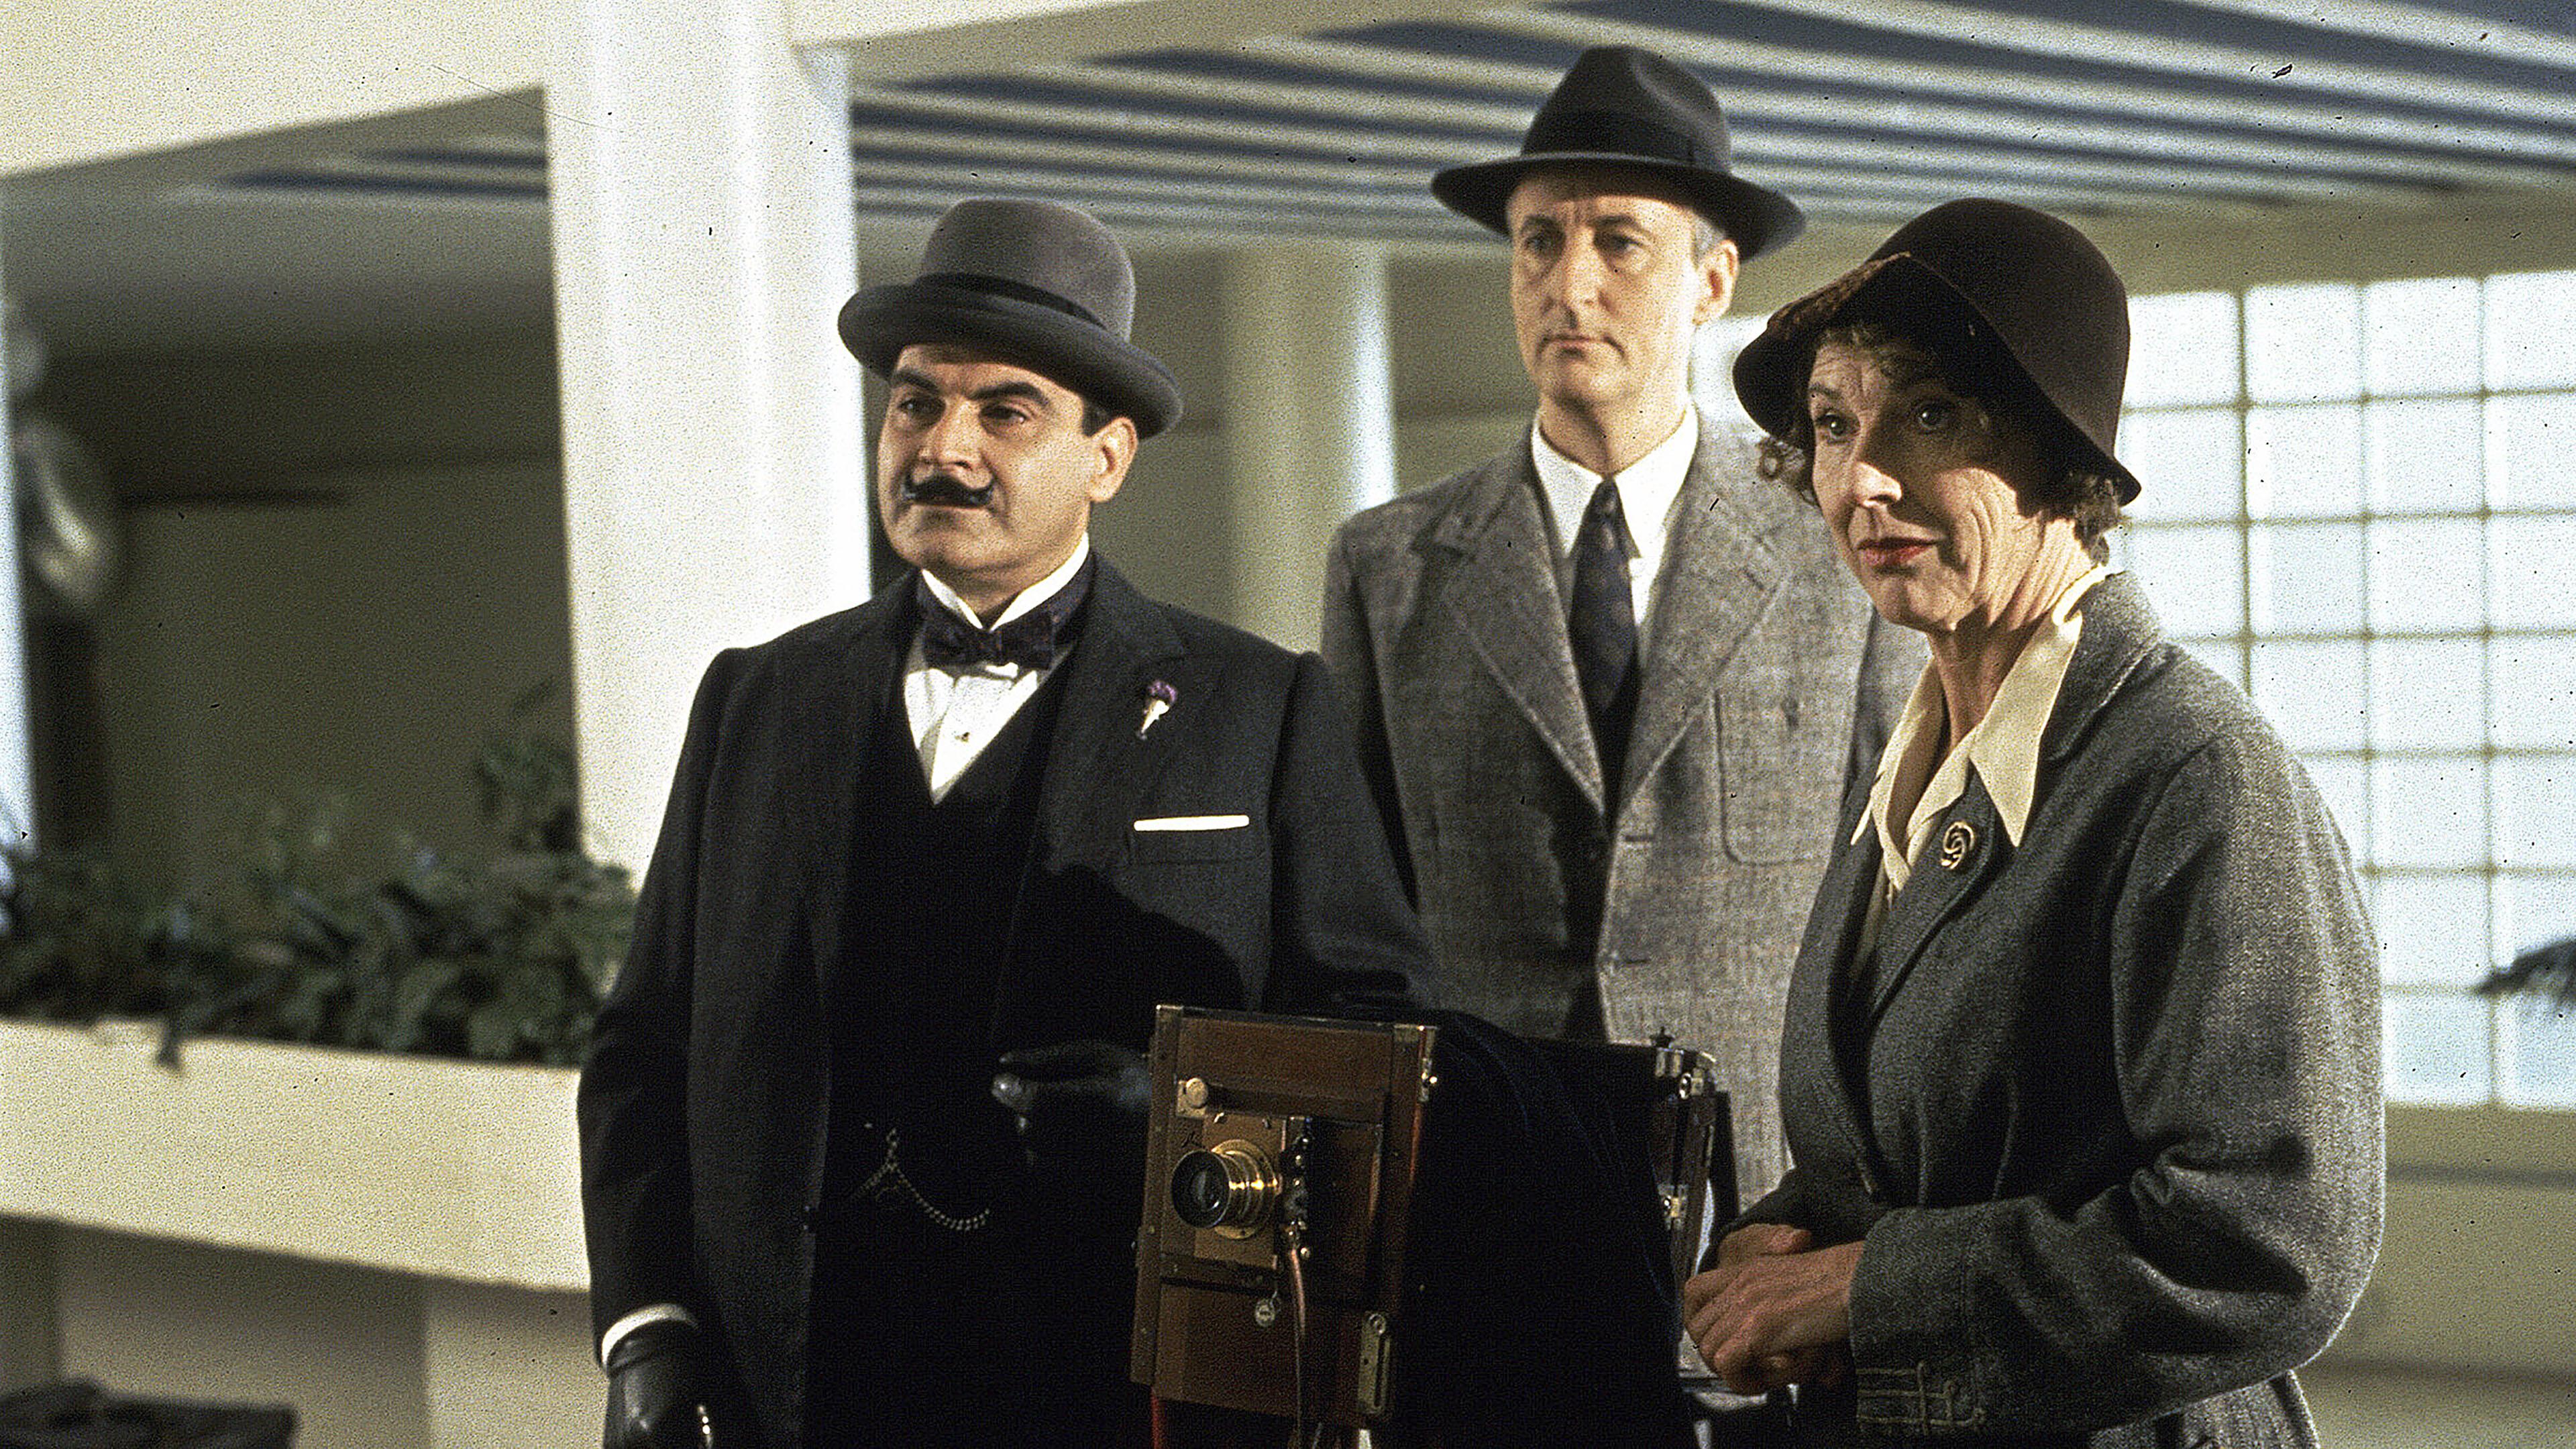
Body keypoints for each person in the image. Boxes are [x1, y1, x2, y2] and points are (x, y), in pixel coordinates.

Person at [577, 197, 1436, 1449]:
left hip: (1108, 1379)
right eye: (916, 402)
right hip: (798, 1384)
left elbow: (1381, 1042)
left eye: (1006, 412)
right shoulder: (757, 698)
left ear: (1108, 458)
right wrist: (649, 1331)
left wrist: (1184, 1116)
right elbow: (646, 1046)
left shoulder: (1259, 707)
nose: (944, 449)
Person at [1682, 197, 2383, 1446]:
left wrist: (1863, 1286)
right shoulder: (1920, 769)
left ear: (2063, 459)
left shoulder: (2197, 775)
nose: (1864, 480)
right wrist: (1785, 1239)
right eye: (1834, 425)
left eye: (1930, 416)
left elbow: (2274, 1245)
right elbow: (1923, 1154)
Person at [1321, 44, 1917, 1204]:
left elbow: (1892, 907)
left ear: (1713, 281)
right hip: (1483, 1185)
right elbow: (1358, 922)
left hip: (1763, 1182)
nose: (1569, 285)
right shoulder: (1388, 566)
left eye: (1620, 243)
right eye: (1539, 241)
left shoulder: (1836, 542)